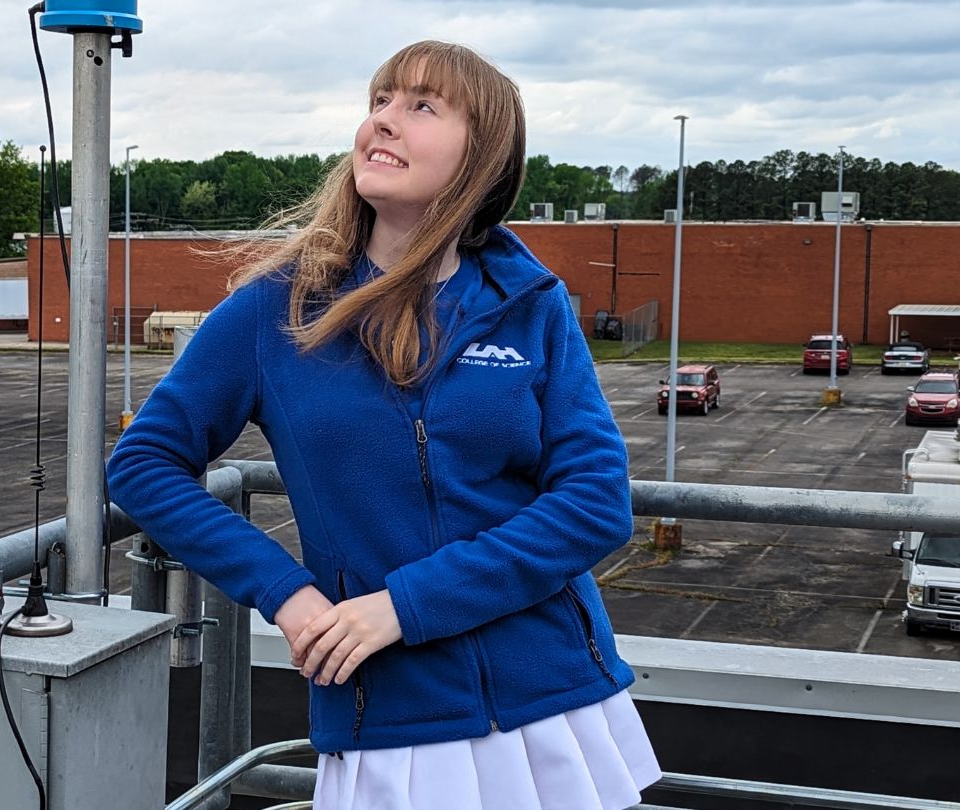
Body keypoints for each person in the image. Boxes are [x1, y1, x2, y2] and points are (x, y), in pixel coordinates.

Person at [107, 40, 660, 810]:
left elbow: (596, 502)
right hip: (393, 721)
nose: (385, 122)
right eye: (379, 102)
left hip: (557, 702)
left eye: (421, 106)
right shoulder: (276, 311)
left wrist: (405, 606)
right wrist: (287, 594)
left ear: (483, 157)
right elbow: (144, 465)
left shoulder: (530, 305)